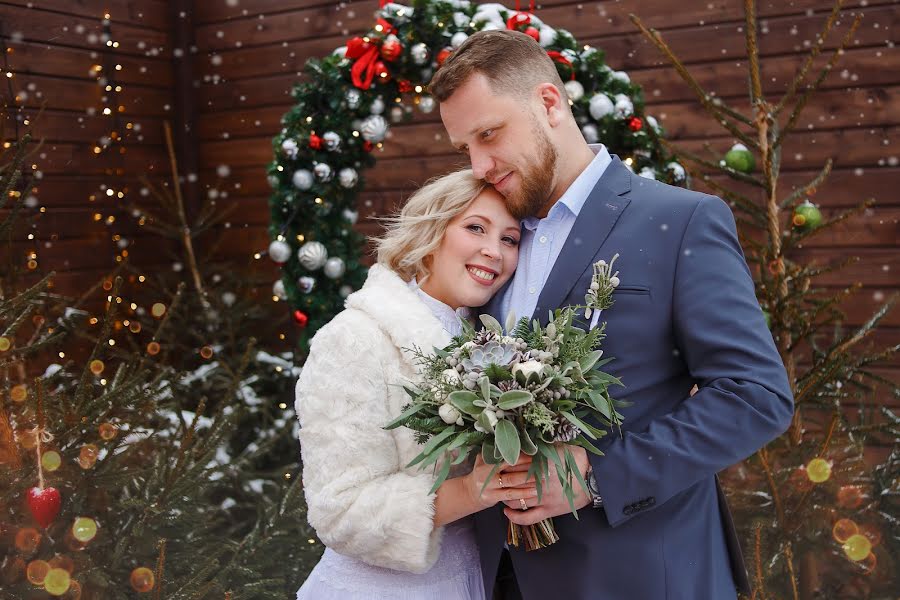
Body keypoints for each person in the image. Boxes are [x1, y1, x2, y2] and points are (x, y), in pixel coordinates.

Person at [429, 29, 794, 600]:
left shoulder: (682, 221)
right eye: (464, 149)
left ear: (549, 103)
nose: (479, 164)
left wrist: (596, 479)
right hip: (495, 577)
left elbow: (755, 394)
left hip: (640, 573)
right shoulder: (488, 243)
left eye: (489, 133)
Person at [293, 169, 536, 600]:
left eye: (509, 239)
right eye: (475, 227)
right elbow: (339, 510)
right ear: (432, 230)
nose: (492, 251)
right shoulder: (354, 338)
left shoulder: (496, 344)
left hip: (475, 581)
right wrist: (468, 490)